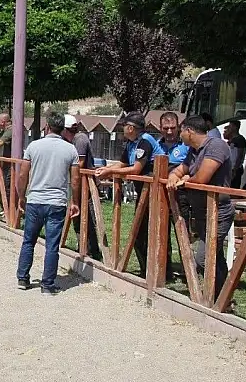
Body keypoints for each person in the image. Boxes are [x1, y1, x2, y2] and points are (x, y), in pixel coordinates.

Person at [166, 115, 232, 301]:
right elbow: (181, 169)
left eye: (181, 131)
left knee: (204, 258)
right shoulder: (194, 151)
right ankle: (221, 299)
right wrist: (174, 176)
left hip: (218, 212)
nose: (180, 135)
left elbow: (202, 177)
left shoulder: (216, 146)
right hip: (203, 213)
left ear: (189, 131)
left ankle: (217, 297)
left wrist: (185, 180)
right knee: (215, 257)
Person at [95, 111, 165, 278]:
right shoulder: (132, 143)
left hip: (154, 192)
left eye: (124, 126)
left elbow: (136, 169)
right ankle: (146, 270)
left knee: (146, 232)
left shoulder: (145, 142)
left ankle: (153, 271)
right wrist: (107, 169)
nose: (122, 129)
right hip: (143, 191)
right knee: (139, 232)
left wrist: (110, 171)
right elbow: (123, 163)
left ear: (131, 128)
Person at [16, 112, 80, 294]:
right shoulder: (70, 150)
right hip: (57, 202)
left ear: (47, 127)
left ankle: (23, 278)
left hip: (35, 200)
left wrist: (21, 196)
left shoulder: (33, 146)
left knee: (29, 241)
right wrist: (74, 201)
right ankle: (47, 284)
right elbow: (75, 180)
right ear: (62, 129)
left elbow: (23, 175)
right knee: (52, 245)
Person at [60, 114, 104, 261]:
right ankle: (83, 247)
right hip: (77, 183)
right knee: (77, 217)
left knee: (89, 218)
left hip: (87, 186)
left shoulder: (80, 139)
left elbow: (79, 164)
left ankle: (93, 252)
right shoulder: (68, 141)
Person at [158, 112, 191, 280]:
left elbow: (192, 168)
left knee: (183, 234)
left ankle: (189, 273)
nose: (169, 132)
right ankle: (165, 270)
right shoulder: (156, 146)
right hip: (160, 197)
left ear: (178, 128)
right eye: (166, 128)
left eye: (173, 128)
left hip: (180, 196)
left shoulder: (187, 146)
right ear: (160, 128)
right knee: (162, 235)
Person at [223, 120, 246, 189]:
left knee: (234, 188)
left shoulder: (240, 139)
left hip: (235, 169)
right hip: (229, 168)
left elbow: (239, 155)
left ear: (235, 127)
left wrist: (235, 169)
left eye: (230, 127)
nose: (228, 128)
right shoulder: (231, 140)